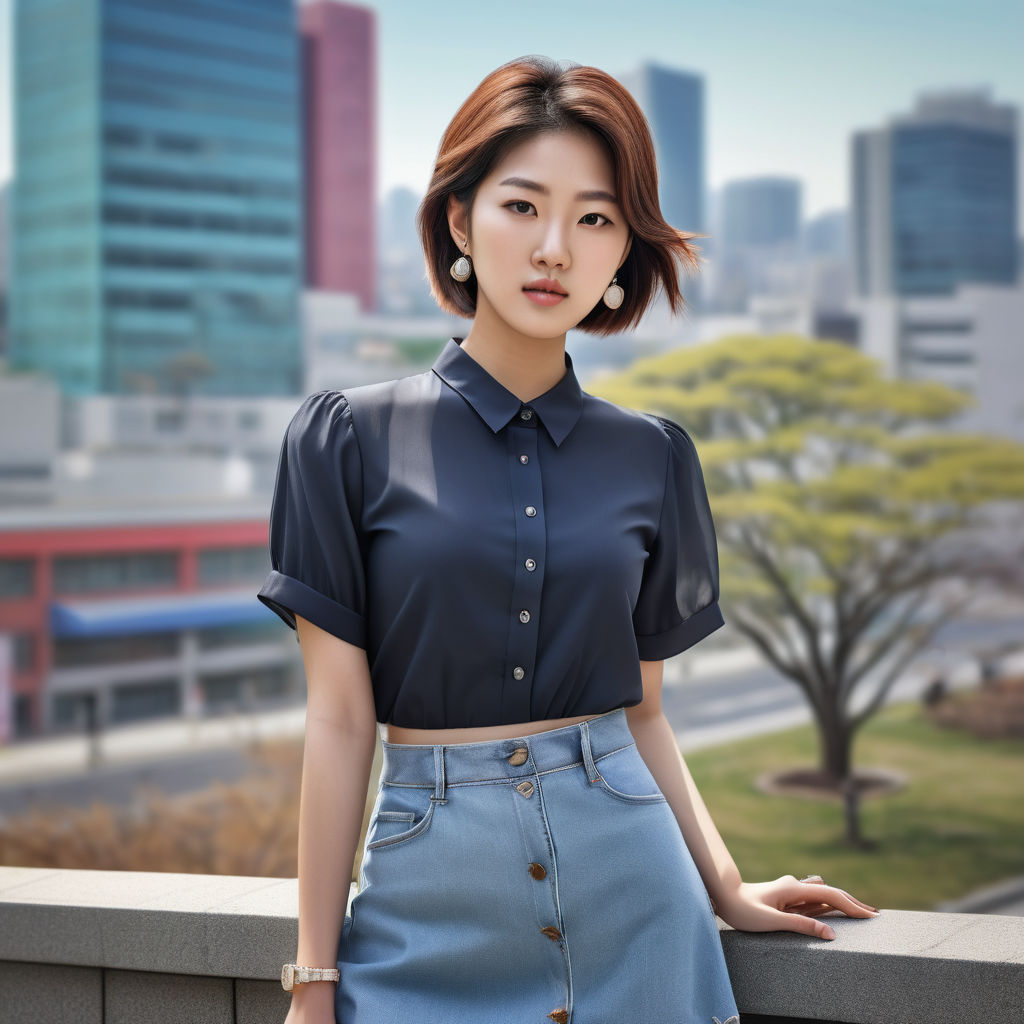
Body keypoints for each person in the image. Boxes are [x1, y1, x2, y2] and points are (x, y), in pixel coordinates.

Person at [257, 54, 879, 1024]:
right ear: (459, 220)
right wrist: (314, 977)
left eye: (594, 217)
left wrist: (722, 884)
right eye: (521, 206)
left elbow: (643, 716)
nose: (555, 247)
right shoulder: (344, 437)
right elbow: (339, 722)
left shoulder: (655, 456)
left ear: (623, 247)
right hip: (426, 912)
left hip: (639, 904)